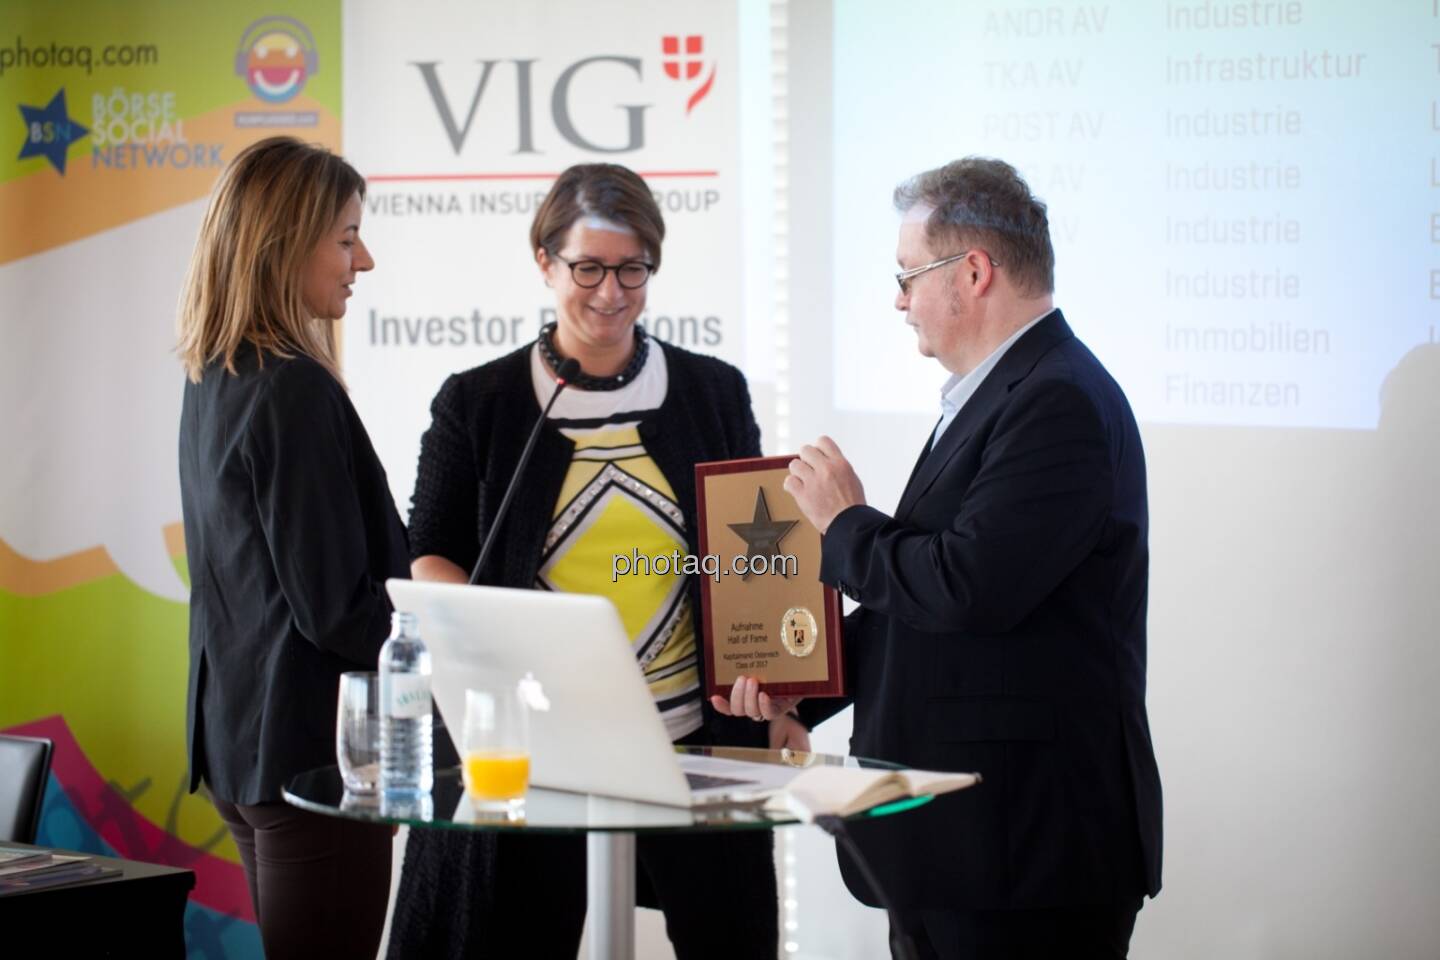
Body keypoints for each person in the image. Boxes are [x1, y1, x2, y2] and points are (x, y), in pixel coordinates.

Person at [717, 157, 1163, 959]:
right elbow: (918, 611)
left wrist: (845, 521)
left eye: (907, 276)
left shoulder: (1056, 399)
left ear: (974, 272)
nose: (898, 301)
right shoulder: (1003, 394)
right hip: (960, 851)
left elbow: (966, 586)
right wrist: (802, 685)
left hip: (1024, 857)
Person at [387, 162, 805, 959]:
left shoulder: (713, 391)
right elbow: (428, 554)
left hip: (692, 739)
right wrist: (491, 640)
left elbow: (752, 566)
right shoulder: (478, 402)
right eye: (588, 269)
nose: (611, 292)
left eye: (632, 270)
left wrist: (779, 696)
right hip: (534, 748)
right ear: (544, 262)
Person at [176, 136, 407, 959]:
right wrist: (451, 649)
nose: (363, 261)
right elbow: (336, 608)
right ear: (284, 243)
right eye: (347, 238)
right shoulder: (292, 388)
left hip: (242, 746)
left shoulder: (215, 375)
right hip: (313, 759)